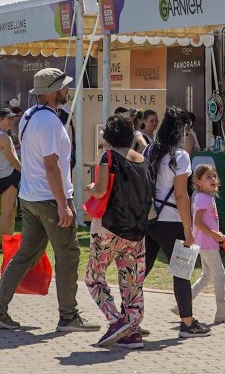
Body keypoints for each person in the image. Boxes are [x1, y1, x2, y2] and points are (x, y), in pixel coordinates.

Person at [0, 68, 99, 333]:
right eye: (63, 87)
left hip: (31, 196)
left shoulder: (29, 117)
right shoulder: (48, 121)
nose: (67, 90)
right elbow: (51, 165)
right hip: (47, 198)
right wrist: (62, 203)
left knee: (26, 254)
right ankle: (68, 316)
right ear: (53, 91)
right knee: (68, 254)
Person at [84, 114, 154, 349]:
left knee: (94, 277)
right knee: (132, 282)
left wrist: (91, 189)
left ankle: (116, 320)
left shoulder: (109, 156)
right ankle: (132, 332)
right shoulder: (144, 161)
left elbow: (102, 190)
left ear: (109, 137)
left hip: (109, 228)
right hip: (136, 232)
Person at [143, 106, 210, 336]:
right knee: (182, 272)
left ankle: (128, 317)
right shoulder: (179, 156)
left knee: (141, 270)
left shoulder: (150, 150)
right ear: (181, 130)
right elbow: (181, 195)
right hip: (171, 220)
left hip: (150, 219)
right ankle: (188, 323)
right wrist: (188, 228)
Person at [189, 163, 225, 325]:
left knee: (207, 276)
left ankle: (182, 304)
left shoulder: (205, 197)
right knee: (219, 275)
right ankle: (222, 313)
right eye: (208, 177)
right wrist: (214, 235)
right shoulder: (204, 198)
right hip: (207, 243)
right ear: (198, 182)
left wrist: (216, 235)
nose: (213, 179)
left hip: (205, 243)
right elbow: (197, 222)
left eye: (214, 176)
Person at [0, 107, 22, 237]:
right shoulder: (2, 136)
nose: (12, 121)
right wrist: (25, 173)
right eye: (9, 118)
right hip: (8, 176)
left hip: (3, 176)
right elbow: (13, 160)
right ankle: (4, 242)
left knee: (10, 211)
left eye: (13, 118)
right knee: (7, 211)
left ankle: (7, 240)